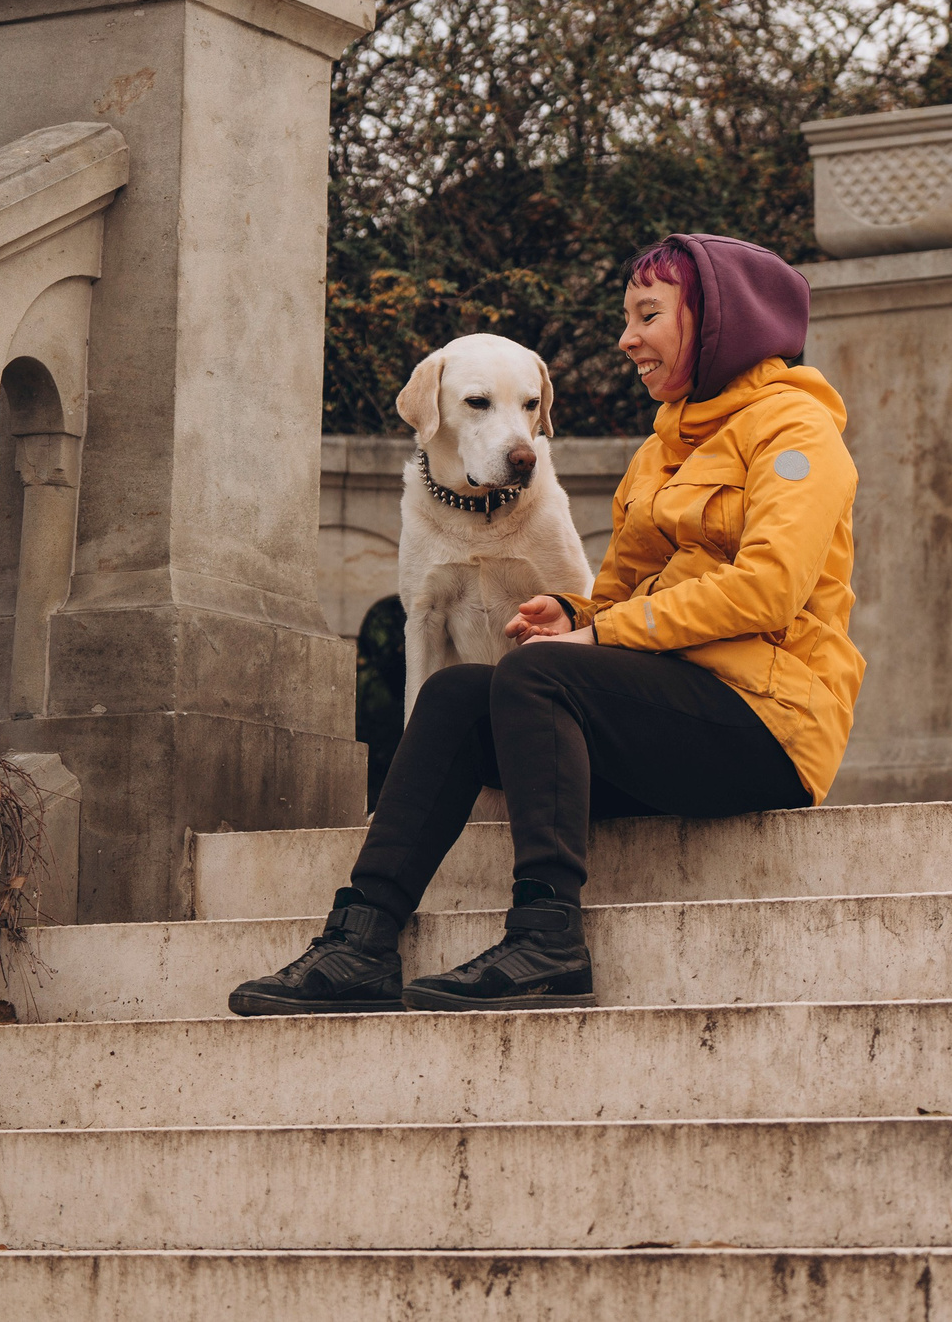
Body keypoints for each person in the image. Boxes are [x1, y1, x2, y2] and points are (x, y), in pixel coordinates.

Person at [230, 233, 863, 1013]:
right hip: (666, 718)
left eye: (647, 315)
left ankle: (548, 938)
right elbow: (620, 593)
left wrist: (593, 637)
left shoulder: (799, 435)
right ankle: (360, 940)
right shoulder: (660, 452)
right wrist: (571, 612)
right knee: (461, 692)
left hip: (767, 729)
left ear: (716, 321)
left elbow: (767, 590)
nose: (626, 338)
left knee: (535, 673)